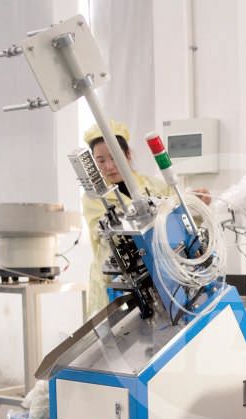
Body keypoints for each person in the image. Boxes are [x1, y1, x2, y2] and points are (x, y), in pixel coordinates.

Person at [81, 120, 210, 316]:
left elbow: (180, 219)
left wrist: (195, 205)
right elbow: (105, 236)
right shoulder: (93, 198)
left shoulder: (154, 185)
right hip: (117, 283)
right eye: (100, 160)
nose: (109, 166)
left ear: (128, 154)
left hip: (161, 277)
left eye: (114, 157)